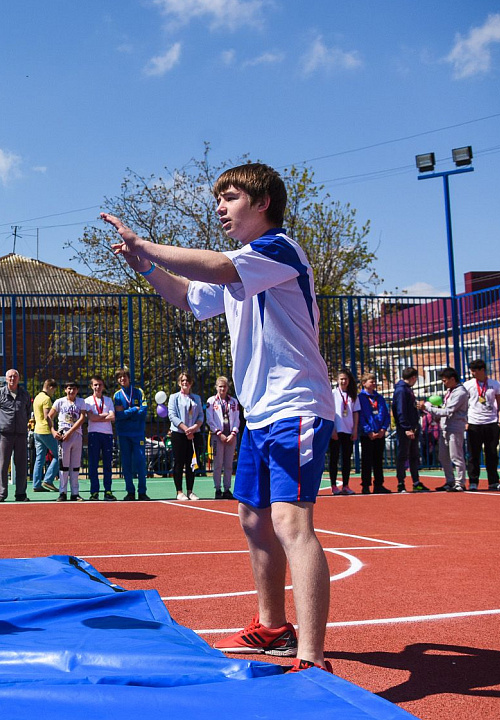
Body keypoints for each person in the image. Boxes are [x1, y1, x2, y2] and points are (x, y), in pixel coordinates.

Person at [101, 162, 336, 672]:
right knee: (252, 517)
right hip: (260, 412)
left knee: (291, 523)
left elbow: (217, 267)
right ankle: (273, 628)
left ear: (263, 203)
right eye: (218, 201)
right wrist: (142, 266)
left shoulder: (279, 249)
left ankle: (314, 658)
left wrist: (144, 244)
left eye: (229, 198)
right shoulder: (242, 271)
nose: (220, 209)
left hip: (296, 404)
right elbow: (187, 296)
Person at [0, 369, 31, 502]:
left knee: (22, 465)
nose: (13, 379)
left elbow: (28, 412)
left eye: (15, 376)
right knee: (2, 465)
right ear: (6, 379)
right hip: (5, 435)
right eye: (10, 377)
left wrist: (22, 424)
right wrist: (2, 425)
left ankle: (21, 494)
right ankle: (1, 494)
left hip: (21, 434)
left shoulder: (24, 395)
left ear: (18, 379)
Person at [465, 359, 500, 491]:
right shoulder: (467, 385)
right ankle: (473, 482)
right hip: (474, 424)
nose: (472, 373)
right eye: (471, 370)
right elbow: (463, 405)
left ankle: (494, 481)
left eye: (475, 371)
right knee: (473, 455)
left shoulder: (495, 384)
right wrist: (466, 422)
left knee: (492, 454)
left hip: (491, 423)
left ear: (482, 370)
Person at [427, 367, 469, 492]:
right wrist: (436, 410)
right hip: (445, 427)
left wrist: (428, 408)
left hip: (455, 427)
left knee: (456, 456)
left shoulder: (460, 392)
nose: (443, 383)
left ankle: (460, 482)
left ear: (452, 379)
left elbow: (448, 410)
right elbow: (444, 408)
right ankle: (449, 481)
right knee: (443, 456)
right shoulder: (450, 391)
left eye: (445, 381)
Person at [112, 367, 149, 501]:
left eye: (124, 376)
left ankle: (142, 491)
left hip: (138, 433)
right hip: (123, 433)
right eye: (120, 377)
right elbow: (119, 415)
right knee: (126, 463)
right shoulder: (117, 395)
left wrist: (128, 414)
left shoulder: (139, 392)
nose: (123, 379)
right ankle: (130, 492)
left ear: (129, 377)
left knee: (140, 462)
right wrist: (134, 410)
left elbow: (144, 411)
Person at [392, 367, 431, 493]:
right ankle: (401, 483)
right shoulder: (401, 390)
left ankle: (416, 482)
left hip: (413, 426)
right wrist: (406, 428)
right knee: (403, 455)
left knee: (414, 455)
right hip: (406, 428)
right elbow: (400, 410)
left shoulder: (407, 389)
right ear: (413, 377)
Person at [167, 371, 204, 501]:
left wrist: (194, 428)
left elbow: (200, 416)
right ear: (179, 383)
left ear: (191, 383)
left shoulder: (196, 398)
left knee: (191, 463)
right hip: (179, 434)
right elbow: (172, 415)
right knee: (179, 462)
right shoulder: (174, 397)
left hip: (193, 434)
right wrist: (185, 428)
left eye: (187, 380)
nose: (185, 383)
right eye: (182, 380)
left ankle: (190, 491)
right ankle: (179, 491)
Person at [50, 381, 89, 502]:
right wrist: (53, 431)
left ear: (77, 390)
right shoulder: (59, 402)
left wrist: (70, 432)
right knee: (64, 466)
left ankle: (75, 492)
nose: (71, 391)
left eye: (74, 389)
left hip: (76, 435)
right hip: (63, 436)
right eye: (69, 389)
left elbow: (82, 418)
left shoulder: (81, 402)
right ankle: (63, 492)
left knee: (75, 466)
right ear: (65, 390)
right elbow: (49, 416)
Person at [206, 376, 240, 500]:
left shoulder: (233, 402)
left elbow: (237, 419)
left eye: (224, 386)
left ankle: (227, 488)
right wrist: (219, 433)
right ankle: (218, 489)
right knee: (218, 463)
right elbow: (210, 419)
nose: (222, 389)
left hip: (231, 436)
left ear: (227, 387)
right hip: (218, 436)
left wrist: (233, 433)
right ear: (216, 387)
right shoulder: (211, 401)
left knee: (229, 464)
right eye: (220, 386)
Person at [357, 372, 391, 494]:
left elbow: (386, 415)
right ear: (364, 383)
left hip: (380, 433)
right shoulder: (360, 398)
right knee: (367, 461)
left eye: (374, 381)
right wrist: (368, 431)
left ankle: (379, 484)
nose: (374, 383)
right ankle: (365, 485)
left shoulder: (379, 398)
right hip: (368, 435)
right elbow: (360, 416)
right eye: (371, 381)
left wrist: (383, 429)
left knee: (378, 460)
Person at [84, 375, 116, 501]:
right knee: (93, 464)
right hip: (94, 434)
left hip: (107, 435)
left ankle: (108, 491)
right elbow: (91, 418)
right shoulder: (87, 401)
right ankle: (94, 492)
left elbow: (112, 417)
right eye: (95, 385)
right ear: (92, 386)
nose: (97, 387)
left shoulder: (108, 400)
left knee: (108, 464)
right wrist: (104, 415)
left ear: (103, 386)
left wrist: (99, 416)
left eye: (100, 385)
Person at [329, 369, 360, 496]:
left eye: (345, 379)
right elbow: (329, 411)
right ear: (337, 380)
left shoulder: (352, 395)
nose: (343, 381)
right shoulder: (332, 394)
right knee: (334, 458)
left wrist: (355, 429)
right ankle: (334, 485)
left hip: (348, 430)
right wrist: (332, 429)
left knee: (347, 459)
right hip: (336, 430)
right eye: (341, 379)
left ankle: (346, 485)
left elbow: (355, 412)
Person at [30, 378, 60, 493]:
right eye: (54, 390)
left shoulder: (37, 397)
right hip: (45, 431)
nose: (53, 393)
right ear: (50, 387)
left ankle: (36, 484)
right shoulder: (47, 399)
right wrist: (52, 429)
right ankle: (48, 479)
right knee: (59, 455)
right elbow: (47, 416)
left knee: (40, 458)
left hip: (37, 431)